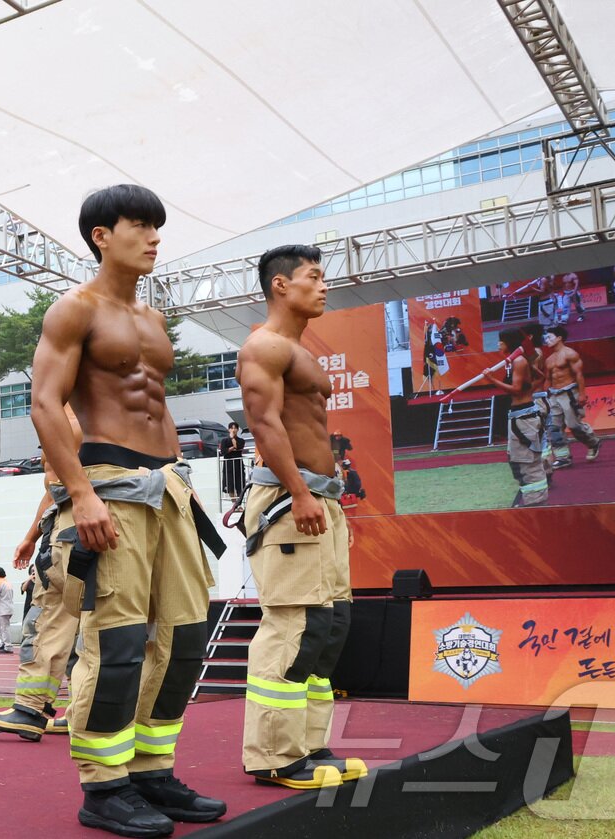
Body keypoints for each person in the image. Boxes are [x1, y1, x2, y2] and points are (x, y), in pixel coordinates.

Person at [31, 184, 226, 836]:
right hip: (108, 482)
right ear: (100, 235)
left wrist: (182, 480)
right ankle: (103, 785)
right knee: (116, 644)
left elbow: (158, 406)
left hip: (166, 484)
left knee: (186, 636)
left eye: (156, 227)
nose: (153, 237)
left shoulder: (152, 320)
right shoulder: (73, 310)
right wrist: (79, 493)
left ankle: (150, 768)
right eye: (140, 225)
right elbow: (44, 402)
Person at [238, 244, 366, 792]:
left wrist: (330, 501)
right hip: (293, 502)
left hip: (320, 500)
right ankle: (274, 755)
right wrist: (301, 493)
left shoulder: (296, 349)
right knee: (292, 626)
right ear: (280, 287)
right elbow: (264, 423)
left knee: (328, 625)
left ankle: (310, 746)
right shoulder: (264, 346)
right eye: (314, 277)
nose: (324, 286)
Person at [0, 404, 83, 740]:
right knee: (83, 631)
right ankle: (80, 710)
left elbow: (60, 487)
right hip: (76, 522)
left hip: (71, 528)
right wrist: (30, 536)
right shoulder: (85, 410)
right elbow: (53, 489)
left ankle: (30, 708)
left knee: (48, 622)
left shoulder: (66, 414)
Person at [480, 327, 550, 506]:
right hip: (518, 416)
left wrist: (491, 380)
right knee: (516, 461)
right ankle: (531, 500)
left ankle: (536, 503)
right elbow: (539, 378)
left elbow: (518, 389)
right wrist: (529, 387)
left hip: (525, 418)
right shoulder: (514, 361)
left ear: (509, 343)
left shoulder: (519, 361)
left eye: (501, 341)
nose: (498, 344)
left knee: (527, 462)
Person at [541, 326, 603, 468]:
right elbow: (548, 379)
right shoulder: (549, 359)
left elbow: (579, 375)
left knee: (574, 425)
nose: (547, 340)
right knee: (554, 427)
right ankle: (563, 458)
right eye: (546, 338)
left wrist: (582, 394)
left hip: (569, 393)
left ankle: (593, 442)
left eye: (549, 337)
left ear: (559, 338)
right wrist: (546, 396)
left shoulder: (570, 354)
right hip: (554, 395)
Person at [220, 422, 246, 501]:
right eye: (231, 428)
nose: (233, 430)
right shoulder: (224, 440)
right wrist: (230, 449)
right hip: (228, 466)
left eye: (235, 428)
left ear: (238, 429)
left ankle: (239, 503)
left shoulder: (241, 440)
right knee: (229, 485)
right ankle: (234, 504)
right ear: (228, 429)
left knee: (240, 484)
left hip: (238, 465)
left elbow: (237, 446)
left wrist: (232, 440)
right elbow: (223, 451)